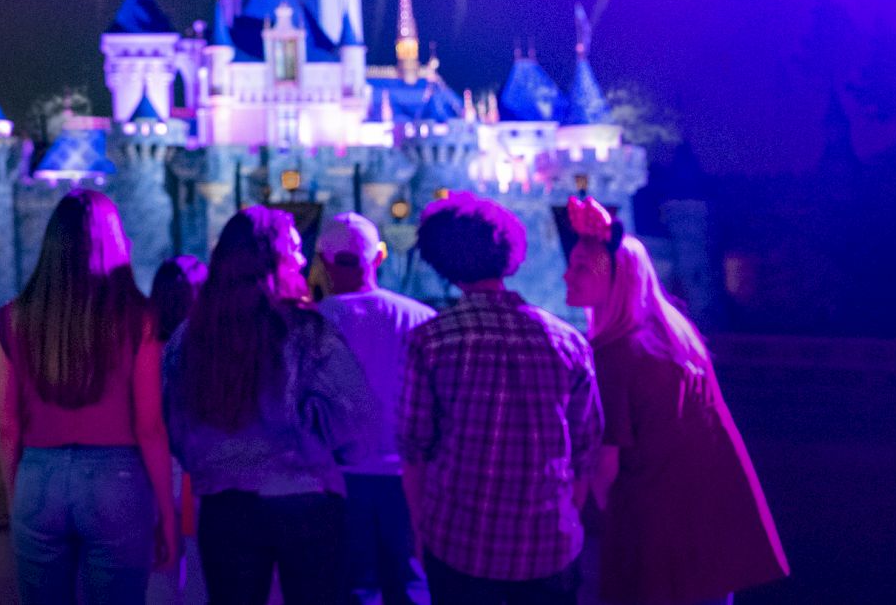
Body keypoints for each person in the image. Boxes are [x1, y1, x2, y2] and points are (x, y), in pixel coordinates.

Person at [563, 196, 787, 605]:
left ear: (615, 278)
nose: (567, 276)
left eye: (580, 267)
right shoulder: (674, 335)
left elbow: (606, 471)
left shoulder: (615, 355)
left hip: (657, 540)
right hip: (710, 526)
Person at [400, 194, 601, 605]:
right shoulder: (568, 342)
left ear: (444, 261)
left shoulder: (431, 339)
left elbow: (414, 449)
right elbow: (586, 449)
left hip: (459, 544)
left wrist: (421, 532)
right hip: (549, 545)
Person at [164, 207, 372, 605]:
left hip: (225, 503)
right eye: (293, 248)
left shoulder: (192, 336)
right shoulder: (307, 331)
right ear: (274, 258)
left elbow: (173, 417)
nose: (300, 258)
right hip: (305, 499)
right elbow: (353, 416)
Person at [0, 190, 177, 605]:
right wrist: (167, 513)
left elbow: (8, 426)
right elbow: (150, 426)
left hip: (38, 477)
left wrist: (15, 496)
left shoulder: (13, 319)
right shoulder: (139, 318)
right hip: (118, 478)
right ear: (114, 242)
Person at [315, 213, 435, 605]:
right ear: (378, 257)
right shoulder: (421, 319)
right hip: (409, 476)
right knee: (411, 586)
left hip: (338, 480)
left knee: (352, 588)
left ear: (325, 262)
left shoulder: (316, 322)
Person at [146, 256, 207, 605]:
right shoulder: (206, 349)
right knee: (202, 578)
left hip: (154, 470)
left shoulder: (143, 348)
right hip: (198, 470)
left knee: (160, 578)